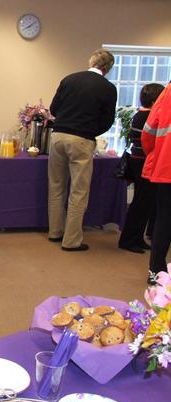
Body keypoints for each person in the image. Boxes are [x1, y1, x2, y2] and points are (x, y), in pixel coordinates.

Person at [47, 48, 117, 252]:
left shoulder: (69, 79)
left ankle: (55, 232)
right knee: (78, 192)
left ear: (91, 62)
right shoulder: (108, 88)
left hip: (58, 136)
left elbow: (53, 109)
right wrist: (92, 131)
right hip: (82, 139)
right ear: (108, 68)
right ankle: (71, 240)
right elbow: (108, 120)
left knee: (56, 186)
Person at [118, 83, 165, 254]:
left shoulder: (140, 114)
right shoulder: (150, 116)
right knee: (141, 203)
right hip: (144, 162)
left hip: (137, 160)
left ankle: (137, 237)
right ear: (154, 101)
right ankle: (129, 240)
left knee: (144, 203)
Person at [142, 82, 171, 284]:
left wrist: (155, 155)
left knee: (164, 220)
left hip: (167, 165)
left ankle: (155, 272)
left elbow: (149, 130)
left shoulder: (167, 92)